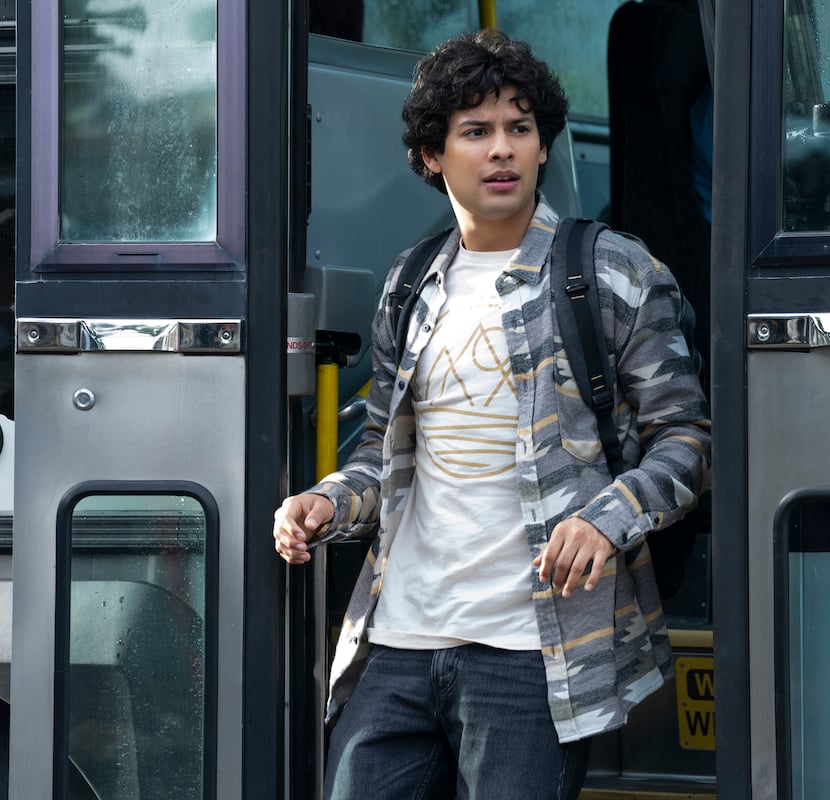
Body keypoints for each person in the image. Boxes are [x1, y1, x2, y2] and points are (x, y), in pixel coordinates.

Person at [272, 29, 710, 800]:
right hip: (401, 638)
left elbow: (687, 440)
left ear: (542, 146)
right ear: (431, 155)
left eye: (520, 128)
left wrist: (606, 519)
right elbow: (383, 454)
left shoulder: (610, 270)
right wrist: (326, 501)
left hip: (534, 654)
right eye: (476, 131)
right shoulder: (411, 281)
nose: (502, 148)